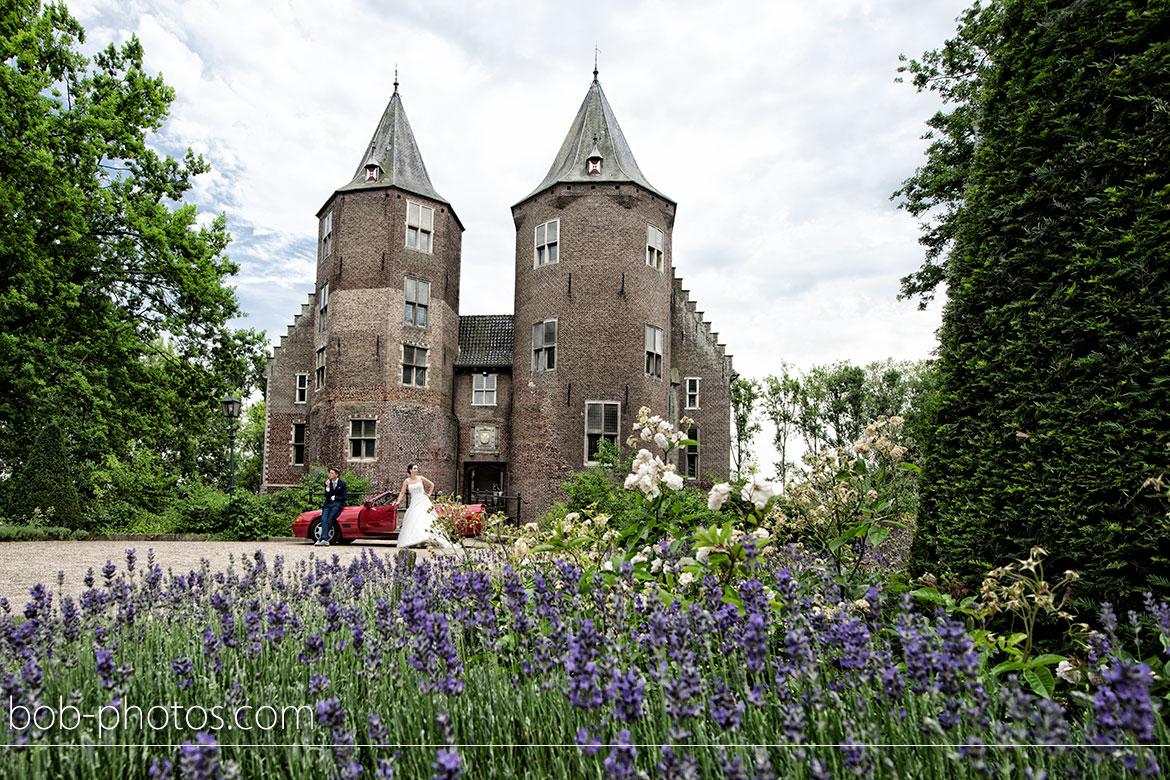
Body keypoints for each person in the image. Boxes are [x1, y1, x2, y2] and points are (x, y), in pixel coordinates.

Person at [395, 463, 453, 549]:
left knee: (426, 518)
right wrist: (398, 501)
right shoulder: (406, 481)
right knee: (414, 520)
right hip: (414, 502)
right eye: (415, 468)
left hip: (423, 500)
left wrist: (429, 494)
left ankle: (428, 538)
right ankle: (417, 540)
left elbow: (432, 484)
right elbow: (402, 492)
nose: (416, 470)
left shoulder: (421, 478)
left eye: (417, 468)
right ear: (410, 470)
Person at [316, 467, 346, 546]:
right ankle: (324, 539)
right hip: (328, 504)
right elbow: (326, 496)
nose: (330, 474)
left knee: (330, 519)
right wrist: (328, 487)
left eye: (332, 473)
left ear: (336, 475)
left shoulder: (342, 484)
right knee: (323, 519)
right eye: (330, 473)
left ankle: (322, 539)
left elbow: (344, 497)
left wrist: (335, 497)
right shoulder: (327, 483)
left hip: (337, 504)